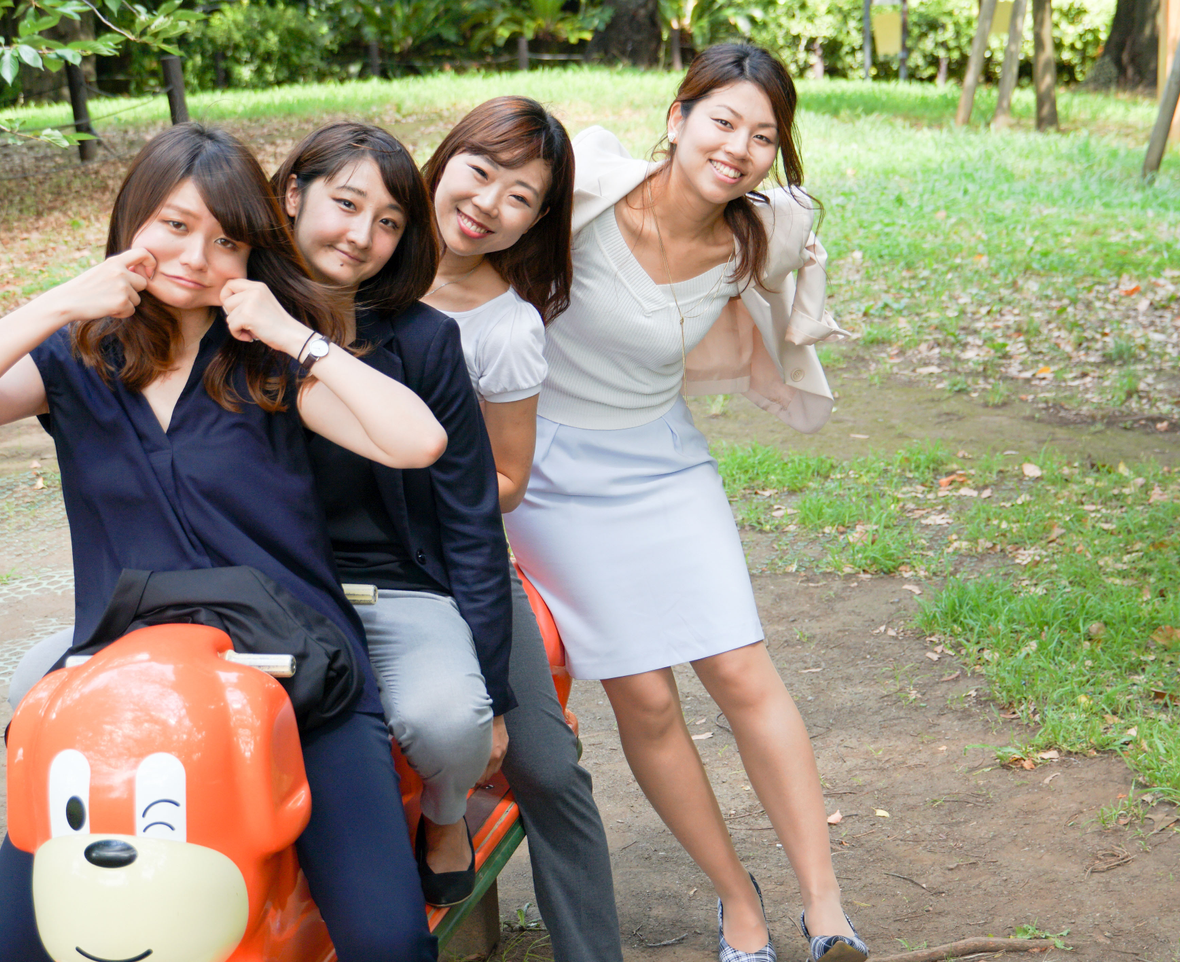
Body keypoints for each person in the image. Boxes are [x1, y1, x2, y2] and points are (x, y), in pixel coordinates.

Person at [0, 123, 444, 962]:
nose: (196, 257)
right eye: (175, 225)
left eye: (227, 241)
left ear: (252, 254)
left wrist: (297, 335)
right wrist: (64, 301)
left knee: (388, 941)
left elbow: (417, 443)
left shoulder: (267, 362)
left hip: (298, 684)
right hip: (123, 698)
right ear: (132, 225)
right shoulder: (78, 360)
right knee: (3, 951)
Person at [501, 44, 866, 962]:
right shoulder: (582, 199)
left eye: (763, 137)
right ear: (678, 118)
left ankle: (826, 912)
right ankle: (738, 902)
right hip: (552, 474)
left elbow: (789, 294)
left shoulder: (758, 236)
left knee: (742, 670)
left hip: (663, 461)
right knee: (647, 697)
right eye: (722, 121)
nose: (738, 149)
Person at [268, 121, 508, 907]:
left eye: (389, 222)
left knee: (450, 723)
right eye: (346, 204)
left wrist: (494, 694)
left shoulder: (426, 342)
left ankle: (444, 816)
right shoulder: (236, 323)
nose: (361, 235)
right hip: (272, 591)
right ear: (293, 194)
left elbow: (470, 516)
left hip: (396, 589)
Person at [419, 97, 624, 961]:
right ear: (444, 160)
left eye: (521, 197)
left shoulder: (504, 326)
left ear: (537, 222)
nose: (487, 204)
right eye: (480, 171)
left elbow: (507, 481)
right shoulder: (352, 260)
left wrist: (411, 472)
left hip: (453, 558)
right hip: (317, 555)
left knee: (544, 763)